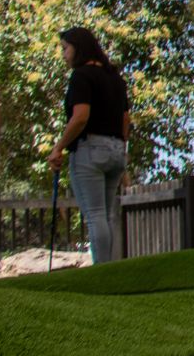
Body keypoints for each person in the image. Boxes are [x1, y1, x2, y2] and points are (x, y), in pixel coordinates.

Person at [47, 27, 132, 263]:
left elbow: (81, 116)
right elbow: (126, 119)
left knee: (95, 215)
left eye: (65, 49)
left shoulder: (82, 76)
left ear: (78, 48)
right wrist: (122, 150)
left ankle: (102, 270)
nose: (63, 55)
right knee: (106, 215)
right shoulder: (116, 79)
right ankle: (110, 266)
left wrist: (59, 147)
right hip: (116, 150)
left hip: (90, 151)